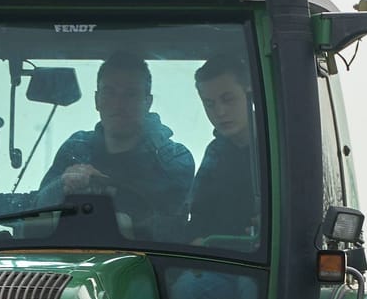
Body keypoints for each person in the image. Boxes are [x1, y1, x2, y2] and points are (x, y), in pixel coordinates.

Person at [39, 53, 193, 233]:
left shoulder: (174, 158)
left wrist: (104, 187)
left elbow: (168, 228)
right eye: (109, 92)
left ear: (148, 102)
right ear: (97, 100)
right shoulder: (76, 148)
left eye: (131, 94)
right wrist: (64, 183)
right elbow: (36, 209)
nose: (118, 104)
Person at [185, 60, 259, 241]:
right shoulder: (215, 152)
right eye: (209, 104)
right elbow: (197, 217)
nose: (220, 112)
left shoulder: (279, 149)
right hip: (217, 261)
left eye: (228, 99)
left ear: (250, 94)